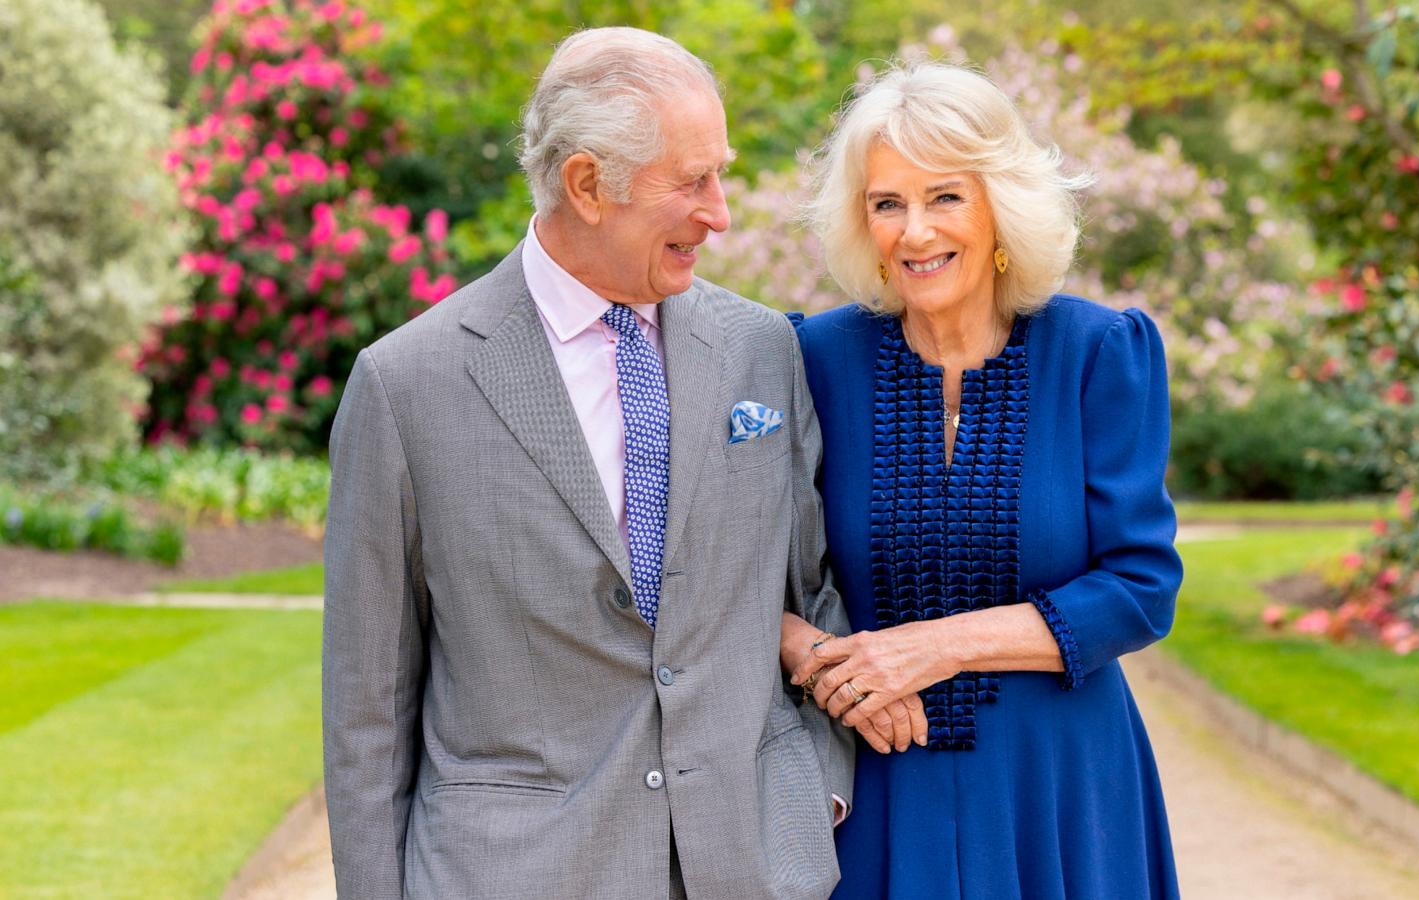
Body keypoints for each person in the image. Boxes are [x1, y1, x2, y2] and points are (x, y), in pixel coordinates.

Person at [321, 27, 860, 899]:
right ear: (587, 184)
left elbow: (810, 589)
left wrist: (810, 796)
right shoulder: (405, 385)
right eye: (693, 181)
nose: (720, 211)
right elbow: (367, 709)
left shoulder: (762, 349)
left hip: (746, 864)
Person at [784, 62, 1185, 899]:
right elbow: (730, 565)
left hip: (1063, 794)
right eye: (886, 203)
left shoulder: (1099, 352)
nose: (915, 232)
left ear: (1001, 205)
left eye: (944, 198)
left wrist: (929, 648)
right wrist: (827, 660)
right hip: (878, 784)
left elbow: (1142, 587)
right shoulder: (809, 361)